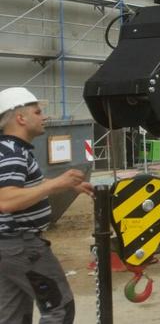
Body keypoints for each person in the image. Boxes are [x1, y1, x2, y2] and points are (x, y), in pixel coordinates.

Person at [0, 87, 93, 323]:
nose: (45, 117)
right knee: (59, 308)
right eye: (38, 112)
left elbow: (27, 185)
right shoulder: (13, 153)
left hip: (7, 248)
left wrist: (67, 185)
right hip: (22, 246)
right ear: (21, 118)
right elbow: (6, 200)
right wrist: (54, 185)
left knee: (13, 315)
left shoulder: (9, 150)